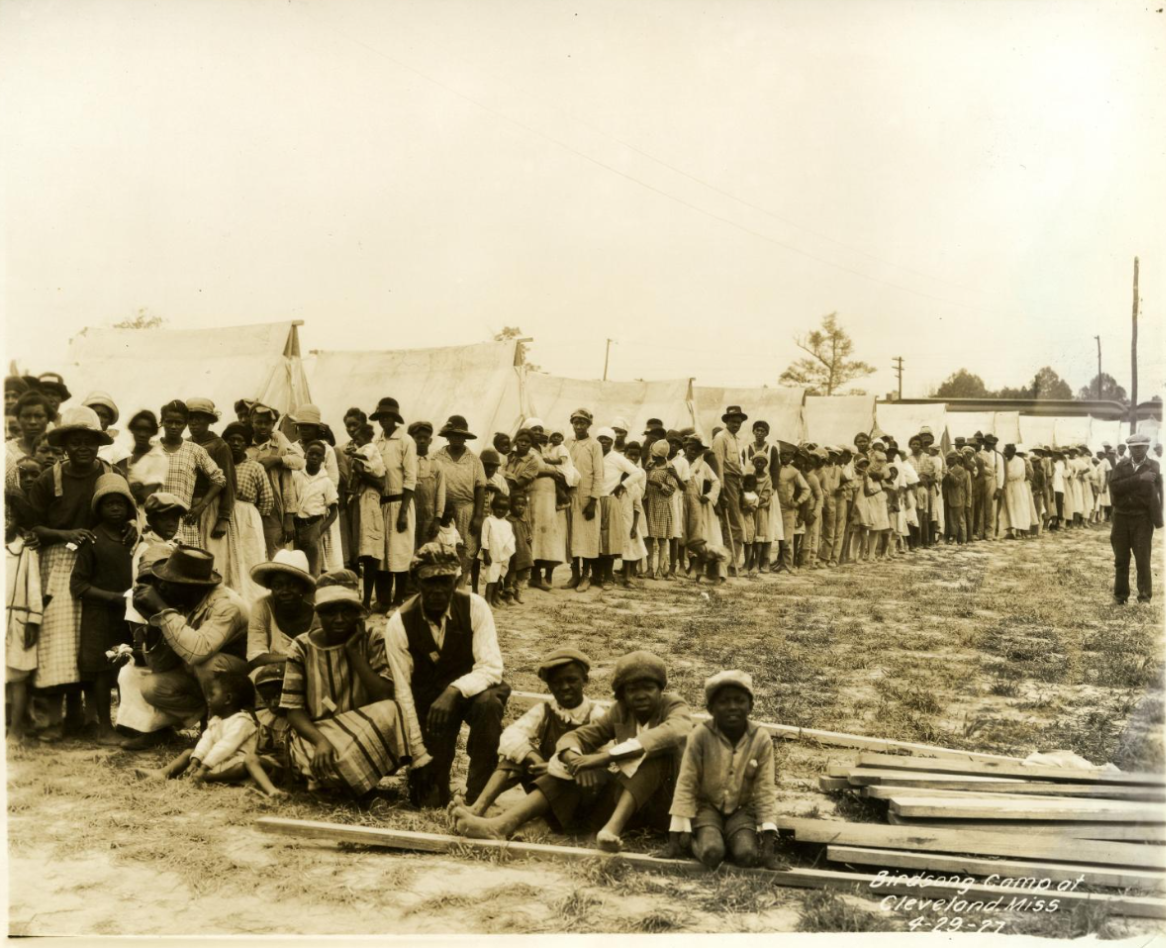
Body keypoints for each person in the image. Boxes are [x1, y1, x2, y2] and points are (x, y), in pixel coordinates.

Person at [452, 649, 693, 853]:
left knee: (649, 756)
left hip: (666, 806)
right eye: (632, 689)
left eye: (648, 687)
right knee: (568, 771)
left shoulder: (672, 705)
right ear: (622, 694)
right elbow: (575, 736)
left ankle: (608, 828)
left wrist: (604, 757)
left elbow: (676, 730)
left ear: (661, 689)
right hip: (627, 804)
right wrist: (573, 759)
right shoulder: (620, 711)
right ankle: (500, 826)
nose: (640, 695)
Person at [26, 407, 128, 739]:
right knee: (60, 639)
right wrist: (63, 534)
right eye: (76, 442)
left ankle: (93, 719)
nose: (83, 448)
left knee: (93, 640)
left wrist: (130, 530)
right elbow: (32, 524)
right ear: (65, 446)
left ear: (99, 444)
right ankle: (59, 719)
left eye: (89, 442)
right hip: (59, 560)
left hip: (100, 562)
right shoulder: (50, 477)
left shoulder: (110, 473)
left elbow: (129, 512)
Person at [384, 543, 509, 809]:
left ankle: (479, 793)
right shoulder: (399, 623)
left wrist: (454, 691)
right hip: (429, 706)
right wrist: (419, 756)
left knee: (489, 704)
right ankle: (434, 774)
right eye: (430, 582)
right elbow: (403, 694)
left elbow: (491, 667)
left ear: (457, 580)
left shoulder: (476, 607)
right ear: (417, 582)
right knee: (427, 801)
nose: (438, 590)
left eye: (446, 581)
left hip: (471, 695)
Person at [281, 575, 407, 799]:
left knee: (393, 711)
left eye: (347, 611)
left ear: (358, 614)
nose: (339, 619)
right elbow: (293, 711)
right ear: (318, 614)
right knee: (319, 759)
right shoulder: (301, 646)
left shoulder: (372, 639)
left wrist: (353, 654)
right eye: (330, 612)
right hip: (317, 733)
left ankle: (336, 785)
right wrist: (320, 741)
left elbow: (384, 694)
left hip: (362, 730)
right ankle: (348, 784)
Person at [128, 545, 249, 745]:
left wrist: (163, 610)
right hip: (202, 676)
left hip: (237, 679)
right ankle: (202, 716)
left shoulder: (227, 604)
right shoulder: (182, 599)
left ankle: (215, 729)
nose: (162, 587)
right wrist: (152, 620)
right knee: (152, 686)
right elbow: (160, 666)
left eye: (169, 582)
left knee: (208, 664)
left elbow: (196, 652)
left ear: (191, 585)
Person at [463, 647, 602, 816]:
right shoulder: (546, 710)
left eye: (572, 680)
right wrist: (531, 755)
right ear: (549, 687)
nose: (565, 687)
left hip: (574, 786)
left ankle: (522, 819)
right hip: (544, 782)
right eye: (557, 683)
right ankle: (477, 808)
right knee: (513, 757)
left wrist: (555, 767)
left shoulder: (596, 715)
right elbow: (510, 736)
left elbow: (604, 759)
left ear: (585, 681)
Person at [667, 670, 781, 870]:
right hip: (706, 808)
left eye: (739, 701)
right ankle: (692, 842)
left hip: (741, 811)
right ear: (710, 708)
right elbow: (686, 783)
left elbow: (765, 789)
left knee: (747, 856)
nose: (732, 707)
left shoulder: (760, 738)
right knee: (712, 853)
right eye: (723, 702)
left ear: (751, 706)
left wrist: (769, 850)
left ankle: (729, 839)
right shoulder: (700, 735)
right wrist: (675, 839)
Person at [135, 670, 283, 797]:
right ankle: (163, 773)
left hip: (234, 762)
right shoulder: (216, 720)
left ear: (228, 699)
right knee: (189, 752)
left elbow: (225, 746)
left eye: (212, 695)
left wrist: (204, 767)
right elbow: (206, 740)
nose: (208, 699)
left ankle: (209, 778)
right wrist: (196, 761)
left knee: (242, 766)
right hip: (218, 761)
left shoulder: (243, 721)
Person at [70, 474, 136, 744]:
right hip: (99, 615)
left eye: (120, 503)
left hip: (126, 615)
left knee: (125, 668)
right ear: (99, 508)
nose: (115, 508)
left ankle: (128, 723)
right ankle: (103, 727)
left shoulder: (131, 537)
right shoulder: (92, 540)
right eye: (109, 504)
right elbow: (78, 585)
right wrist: (113, 597)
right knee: (100, 670)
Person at [432, 413, 483, 596]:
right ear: (447, 435)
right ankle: (444, 586)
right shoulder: (437, 457)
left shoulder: (473, 460)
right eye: (453, 435)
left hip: (466, 508)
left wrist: (478, 516)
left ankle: (461, 586)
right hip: (443, 509)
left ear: (465, 438)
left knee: (468, 549)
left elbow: (480, 488)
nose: (457, 439)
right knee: (444, 547)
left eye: (460, 435)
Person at [1108, 432, 1163, 605]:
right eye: (1134, 447)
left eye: (1141, 447)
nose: (1138, 451)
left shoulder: (1153, 466)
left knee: (1142, 558)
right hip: (1121, 517)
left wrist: (1158, 519)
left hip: (1142, 518)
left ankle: (1145, 597)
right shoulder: (1120, 465)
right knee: (1121, 559)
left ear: (1147, 447)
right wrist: (1140, 478)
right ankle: (1120, 596)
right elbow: (1115, 487)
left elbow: (1156, 492)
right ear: (1130, 448)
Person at [222, 422, 274, 601]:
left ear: (246, 444)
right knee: (228, 557)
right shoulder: (220, 466)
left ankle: (253, 602)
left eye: (240, 440)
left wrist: (252, 516)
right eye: (231, 440)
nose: (235, 444)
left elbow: (267, 498)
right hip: (224, 515)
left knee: (250, 555)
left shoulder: (255, 467)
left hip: (248, 517)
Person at [6, 491, 42, 743]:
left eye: (8, 515)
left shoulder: (25, 549)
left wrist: (33, 621)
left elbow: (34, 588)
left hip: (17, 619)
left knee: (18, 677)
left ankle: (15, 730)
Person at [290, 405, 344, 571]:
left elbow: (333, 480)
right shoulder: (292, 448)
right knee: (299, 557)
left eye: (310, 427)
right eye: (302, 426)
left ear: (317, 428)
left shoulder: (326, 450)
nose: (305, 430)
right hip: (298, 510)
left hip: (320, 508)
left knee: (322, 557)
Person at [247, 403, 305, 558]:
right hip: (248, 506)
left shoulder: (278, 442)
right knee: (250, 549)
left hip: (273, 508)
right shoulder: (244, 443)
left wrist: (277, 459)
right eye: (258, 422)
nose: (263, 426)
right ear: (251, 422)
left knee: (275, 550)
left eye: (267, 423)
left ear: (273, 424)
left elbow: (299, 463)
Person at [594, 426, 641, 590]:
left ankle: (608, 576)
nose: (603, 442)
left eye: (607, 439)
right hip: (594, 499)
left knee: (608, 540)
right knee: (595, 539)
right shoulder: (594, 454)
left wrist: (621, 485)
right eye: (600, 439)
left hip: (610, 500)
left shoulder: (616, 457)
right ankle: (596, 575)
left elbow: (637, 473)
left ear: (612, 442)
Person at [346, 423, 387, 606]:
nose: (358, 441)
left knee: (370, 550)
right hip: (359, 499)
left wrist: (354, 457)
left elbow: (378, 481)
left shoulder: (370, 449)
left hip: (369, 499)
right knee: (356, 549)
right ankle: (355, 597)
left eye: (360, 438)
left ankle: (367, 600)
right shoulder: (358, 449)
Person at [566, 409, 604, 592]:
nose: (579, 426)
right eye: (576, 422)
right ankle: (574, 575)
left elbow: (599, 474)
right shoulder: (567, 443)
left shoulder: (594, 445)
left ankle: (585, 576)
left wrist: (594, 501)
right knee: (572, 536)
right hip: (570, 497)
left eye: (582, 423)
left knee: (587, 538)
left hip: (587, 498)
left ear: (589, 425)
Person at [292, 441, 340, 577]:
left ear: (323, 459)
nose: (314, 457)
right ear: (305, 455)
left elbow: (334, 511)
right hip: (296, 525)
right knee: (296, 565)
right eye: (311, 453)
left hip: (314, 525)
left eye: (318, 455)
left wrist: (320, 530)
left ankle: (312, 596)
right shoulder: (296, 476)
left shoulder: (326, 481)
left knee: (313, 567)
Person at [712, 406, 747, 574]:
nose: (736, 425)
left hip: (736, 481)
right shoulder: (721, 438)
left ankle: (731, 563)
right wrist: (722, 490)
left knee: (735, 524)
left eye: (739, 422)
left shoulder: (735, 438)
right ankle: (729, 564)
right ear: (726, 421)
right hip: (726, 481)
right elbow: (718, 464)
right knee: (734, 525)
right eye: (733, 421)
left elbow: (738, 464)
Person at [116, 410, 170, 506]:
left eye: (147, 430)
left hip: (143, 514)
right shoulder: (124, 454)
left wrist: (124, 484)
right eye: (138, 429)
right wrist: (132, 487)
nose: (142, 434)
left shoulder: (158, 458)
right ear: (132, 429)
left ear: (153, 432)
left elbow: (143, 496)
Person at [408, 421, 446, 553]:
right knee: (409, 551)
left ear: (430, 440)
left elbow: (441, 493)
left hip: (429, 516)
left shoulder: (437, 465)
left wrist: (437, 519)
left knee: (426, 552)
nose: (422, 441)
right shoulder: (407, 462)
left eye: (425, 438)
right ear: (412, 440)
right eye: (418, 438)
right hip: (410, 513)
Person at [644, 440, 678, 580]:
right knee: (650, 537)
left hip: (663, 505)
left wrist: (658, 484)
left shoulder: (669, 468)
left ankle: (660, 569)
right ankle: (649, 568)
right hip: (651, 504)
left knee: (663, 539)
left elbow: (671, 490)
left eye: (658, 457)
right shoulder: (650, 466)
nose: (655, 458)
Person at [618, 441, 648, 586]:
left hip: (631, 518)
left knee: (632, 546)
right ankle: (621, 573)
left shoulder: (639, 477)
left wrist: (634, 526)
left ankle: (630, 575)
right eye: (630, 454)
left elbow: (638, 504)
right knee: (621, 546)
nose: (634, 458)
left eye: (636, 455)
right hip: (618, 518)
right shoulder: (616, 484)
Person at [479, 492, 516, 607]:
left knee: (500, 577)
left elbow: (510, 539)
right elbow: (484, 538)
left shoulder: (507, 524)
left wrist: (508, 552)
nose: (501, 511)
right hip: (492, 554)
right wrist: (486, 554)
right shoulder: (488, 521)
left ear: (508, 510)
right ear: (493, 508)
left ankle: (495, 598)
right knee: (491, 578)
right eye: (498, 508)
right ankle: (488, 599)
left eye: (504, 509)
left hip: (504, 555)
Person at [505, 491, 533, 604]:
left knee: (522, 575)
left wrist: (530, 537)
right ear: (511, 506)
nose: (520, 507)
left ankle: (518, 592)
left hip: (524, 551)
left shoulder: (525, 520)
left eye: (523, 505)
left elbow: (529, 533)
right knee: (510, 574)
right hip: (512, 552)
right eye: (517, 504)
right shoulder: (508, 520)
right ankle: (509, 594)